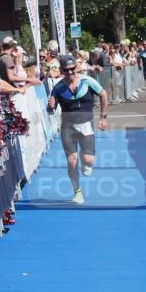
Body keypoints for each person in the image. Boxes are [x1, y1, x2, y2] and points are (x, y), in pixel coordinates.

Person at [47, 55, 109, 205]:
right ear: (61, 70)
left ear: (77, 67)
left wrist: (103, 117)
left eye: (72, 69)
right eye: (66, 70)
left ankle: (85, 159)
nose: (70, 72)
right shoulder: (58, 88)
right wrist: (50, 106)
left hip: (86, 125)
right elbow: (50, 110)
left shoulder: (87, 81)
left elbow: (103, 94)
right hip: (67, 128)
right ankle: (77, 192)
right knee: (71, 161)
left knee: (88, 160)